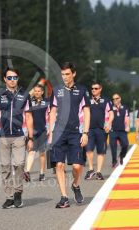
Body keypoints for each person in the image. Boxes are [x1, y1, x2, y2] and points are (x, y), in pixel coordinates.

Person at [0, 67, 34, 209]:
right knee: (6, 167)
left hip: (20, 136)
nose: (13, 80)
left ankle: (18, 192)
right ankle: (9, 197)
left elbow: (29, 116)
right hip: (3, 137)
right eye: (10, 78)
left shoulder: (25, 95)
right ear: (5, 79)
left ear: (17, 79)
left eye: (15, 78)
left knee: (19, 164)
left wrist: (31, 138)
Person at [48, 62, 90, 208]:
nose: (64, 77)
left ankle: (75, 185)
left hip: (76, 132)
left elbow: (86, 111)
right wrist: (50, 131)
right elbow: (52, 111)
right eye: (63, 74)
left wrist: (85, 132)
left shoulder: (82, 90)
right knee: (59, 165)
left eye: (67, 74)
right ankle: (64, 197)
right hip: (59, 133)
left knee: (77, 166)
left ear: (73, 74)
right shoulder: (57, 90)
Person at [84, 82, 113, 180]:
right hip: (90, 129)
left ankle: (99, 172)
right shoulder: (87, 100)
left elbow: (111, 114)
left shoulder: (106, 101)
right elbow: (83, 113)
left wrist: (109, 123)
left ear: (100, 89)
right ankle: (91, 169)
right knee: (88, 149)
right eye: (92, 88)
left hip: (102, 130)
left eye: (96, 88)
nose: (93, 90)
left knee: (101, 151)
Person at [24, 84, 50, 182]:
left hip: (43, 130)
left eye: (39, 91)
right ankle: (27, 172)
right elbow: (26, 116)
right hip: (32, 131)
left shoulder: (47, 102)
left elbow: (50, 115)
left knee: (42, 154)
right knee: (31, 151)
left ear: (42, 92)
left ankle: (42, 173)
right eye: (35, 91)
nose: (37, 93)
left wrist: (49, 128)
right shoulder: (29, 102)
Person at [109, 93, 130, 167]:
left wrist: (127, 126)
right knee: (113, 146)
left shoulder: (125, 107)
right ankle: (114, 160)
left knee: (125, 144)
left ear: (120, 98)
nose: (115, 100)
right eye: (113, 99)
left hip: (122, 130)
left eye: (116, 98)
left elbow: (127, 118)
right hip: (113, 131)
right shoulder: (110, 108)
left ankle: (121, 155)